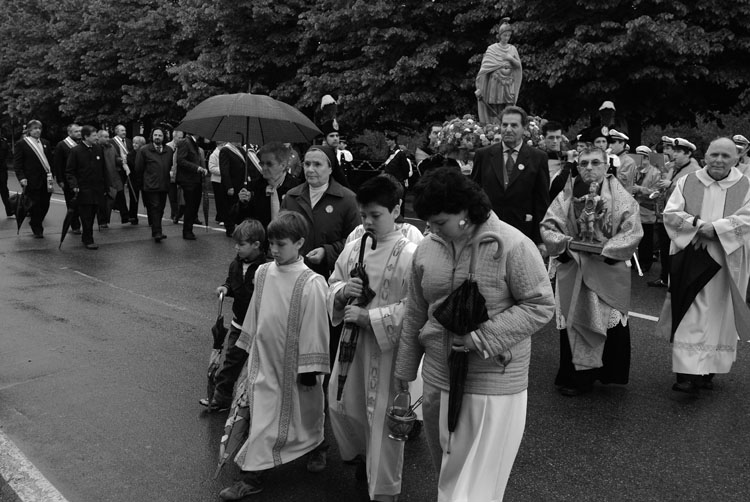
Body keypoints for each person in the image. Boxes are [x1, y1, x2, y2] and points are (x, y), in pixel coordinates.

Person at [394, 167, 554, 502]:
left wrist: (481, 338)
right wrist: (405, 375)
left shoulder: (514, 245)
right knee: (449, 477)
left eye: (439, 222)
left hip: (494, 383)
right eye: (429, 222)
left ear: (465, 212)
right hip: (438, 378)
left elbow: (540, 305)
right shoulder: (426, 249)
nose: (431, 229)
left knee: (468, 489)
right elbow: (414, 313)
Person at [219, 212, 330, 500]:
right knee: (264, 418)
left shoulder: (312, 282)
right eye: (271, 243)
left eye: (281, 244)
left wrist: (310, 368)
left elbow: (317, 325)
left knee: (304, 411)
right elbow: (256, 311)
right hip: (263, 360)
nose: (274, 250)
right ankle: (252, 478)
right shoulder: (263, 272)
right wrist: (244, 348)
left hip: (295, 364)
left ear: (300, 243)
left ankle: (317, 445)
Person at [328, 176, 420, 502]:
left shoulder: (412, 254)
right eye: (363, 215)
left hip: (387, 351)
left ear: (396, 210)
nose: (367, 222)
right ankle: (363, 457)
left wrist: (370, 318)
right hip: (352, 346)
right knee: (342, 405)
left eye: (375, 215)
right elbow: (333, 282)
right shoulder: (354, 248)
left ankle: (384, 490)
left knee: (381, 417)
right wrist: (341, 294)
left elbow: (417, 308)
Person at [541, 146, 643, 397]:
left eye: (595, 162)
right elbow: (549, 224)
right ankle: (578, 376)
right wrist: (566, 245)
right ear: (577, 166)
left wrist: (607, 249)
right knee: (575, 319)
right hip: (574, 267)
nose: (589, 168)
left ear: (606, 165)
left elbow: (632, 230)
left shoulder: (621, 196)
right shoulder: (566, 193)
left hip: (606, 270)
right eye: (583, 163)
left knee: (607, 323)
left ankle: (606, 372)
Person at [656, 138, 750, 394]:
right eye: (714, 154)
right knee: (689, 311)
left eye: (725, 156)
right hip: (691, 257)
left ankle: (708, 371)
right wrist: (699, 227)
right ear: (706, 155)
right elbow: (671, 213)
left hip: (726, 261)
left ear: (736, 159)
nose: (719, 160)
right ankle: (686, 373)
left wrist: (716, 230)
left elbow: (748, 217)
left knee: (719, 315)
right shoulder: (688, 181)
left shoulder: (745, 184)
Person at [282, 145, 360, 366]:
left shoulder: (347, 199)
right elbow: (282, 233)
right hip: (295, 278)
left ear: (330, 167)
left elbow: (356, 241)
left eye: (317, 164)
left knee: (324, 339)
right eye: (307, 164)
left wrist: (328, 251)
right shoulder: (292, 196)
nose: (310, 169)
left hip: (329, 282)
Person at [203, 219, 268, 411]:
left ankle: (254, 403)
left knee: (258, 365)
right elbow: (231, 282)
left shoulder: (265, 268)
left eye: (241, 244)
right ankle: (221, 398)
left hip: (258, 326)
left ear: (256, 245)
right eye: (236, 243)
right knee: (231, 361)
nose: (236, 248)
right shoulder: (235, 264)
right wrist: (225, 287)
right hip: (239, 323)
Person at [471, 106, 550, 251]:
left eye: (514, 125)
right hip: (487, 232)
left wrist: (540, 240)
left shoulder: (537, 158)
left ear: (524, 128)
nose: (508, 129)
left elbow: (541, 202)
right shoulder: (484, 155)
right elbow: (472, 195)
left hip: (523, 233)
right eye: (504, 124)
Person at [648, 137, 701, 287]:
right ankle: (665, 277)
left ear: (688, 154)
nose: (674, 154)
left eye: (678, 151)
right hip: (669, 215)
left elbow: (692, 192)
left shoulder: (695, 170)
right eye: (674, 151)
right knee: (665, 249)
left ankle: (675, 280)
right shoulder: (674, 166)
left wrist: (670, 184)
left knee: (677, 251)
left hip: (681, 218)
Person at [228, 142, 301, 232]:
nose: (264, 168)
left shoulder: (296, 189)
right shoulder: (254, 186)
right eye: (262, 163)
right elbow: (237, 219)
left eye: (269, 164)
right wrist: (243, 204)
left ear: (282, 165)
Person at [66, 125, 110, 250]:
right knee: (86, 215)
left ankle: (87, 236)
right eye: (94, 135)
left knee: (94, 213)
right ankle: (88, 238)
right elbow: (70, 171)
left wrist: (106, 186)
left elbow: (103, 169)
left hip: (97, 189)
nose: (96, 138)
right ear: (86, 137)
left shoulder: (98, 149)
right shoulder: (76, 151)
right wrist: (74, 185)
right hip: (83, 189)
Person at [475, 17, 522, 124]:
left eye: (509, 35)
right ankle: (494, 126)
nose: (507, 38)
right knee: (495, 105)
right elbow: (485, 68)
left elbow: (518, 66)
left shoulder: (512, 49)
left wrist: (510, 59)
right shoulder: (492, 49)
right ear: (500, 35)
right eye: (505, 35)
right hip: (495, 80)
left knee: (509, 105)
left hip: (509, 81)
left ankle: (507, 123)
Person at [14, 120, 54, 238]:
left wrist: (53, 174)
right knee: (35, 205)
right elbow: (18, 163)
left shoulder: (45, 142)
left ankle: (37, 221)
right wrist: (21, 177)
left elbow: (50, 160)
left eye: (39, 128)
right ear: (29, 130)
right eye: (34, 128)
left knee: (45, 204)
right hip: (32, 180)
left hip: (46, 180)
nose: (37, 130)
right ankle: (37, 227)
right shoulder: (22, 144)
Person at [134, 128, 173, 242]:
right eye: (155, 135)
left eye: (160, 135)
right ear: (151, 136)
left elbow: (169, 165)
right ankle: (157, 232)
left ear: (163, 137)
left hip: (164, 184)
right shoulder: (144, 150)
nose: (157, 137)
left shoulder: (169, 150)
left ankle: (157, 230)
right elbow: (138, 168)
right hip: (151, 185)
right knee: (155, 207)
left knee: (161, 208)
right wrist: (143, 183)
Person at [630, 145, 662, 272]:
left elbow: (656, 193)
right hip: (633, 210)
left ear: (648, 158)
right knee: (633, 238)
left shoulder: (655, 172)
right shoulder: (634, 170)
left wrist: (640, 189)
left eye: (644, 158)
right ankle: (633, 261)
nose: (641, 161)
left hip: (646, 210)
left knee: (646, 239)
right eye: (638, 158)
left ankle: (645, 263)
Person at [175, 133, 208, 240]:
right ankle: (187, 231)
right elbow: (181, 160)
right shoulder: (185, 142)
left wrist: (202, 168)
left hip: (195, 179)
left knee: (194, 205)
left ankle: (189, 229)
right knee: (190, 205)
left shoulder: (194, 143)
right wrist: (196, 168)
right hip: (188, 180)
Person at [220, 142, 256, 236]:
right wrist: (229, 186)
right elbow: (224, 170)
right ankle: (230, 229)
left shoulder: (241, 150)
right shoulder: (225, 150)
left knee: (239, 206)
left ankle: (239, 228)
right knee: (230, 207)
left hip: (241, 183)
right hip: (232, 184)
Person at [53, 124, 82, 232]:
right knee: (72, 203)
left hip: (81, 178)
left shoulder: (81, 144)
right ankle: (75, 225)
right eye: (76, 131)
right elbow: (58, 164)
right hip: (68, 179)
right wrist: (60, 180)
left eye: (80, 131)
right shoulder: (62, 145)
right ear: (69, 133)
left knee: (81, 203)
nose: (79, 133)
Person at [98, 129, 129, 227]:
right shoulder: (97, 148)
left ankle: (125, 217)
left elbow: (116, 157)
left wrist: (120, 160)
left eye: (108, 136)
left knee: (121, 196)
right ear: (99, 137)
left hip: (115, 176)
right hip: (104, 178)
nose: (108, 139)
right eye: (105, 137)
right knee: (107, 201)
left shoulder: (111, 147)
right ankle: (103, 221)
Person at [111, 124, 137, 225]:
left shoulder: (129, 141)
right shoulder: (111, 142)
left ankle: (132, 215)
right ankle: (124, 215)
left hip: (130, 170)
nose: (124, 132)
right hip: (119, 170)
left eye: (125, 130)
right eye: (122, 131)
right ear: (116, 131)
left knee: (133, 193)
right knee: (120, 193)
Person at [125, 135, 146, 224]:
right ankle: (133, 217)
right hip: (133, 179)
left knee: (148, 199)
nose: (134, 145)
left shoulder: (145, 153)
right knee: (134, 199)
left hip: (144, 179)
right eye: (133, 143)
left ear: (141, 144)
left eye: (136, 143)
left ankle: (152, 219)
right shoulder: (130, 155)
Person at [0, 135, 10, 217]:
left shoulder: (3, 141)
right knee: (4, 191)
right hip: (2, 170)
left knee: (4, 191)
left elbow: (6, 154)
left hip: (2, 170)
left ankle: (9, 210)